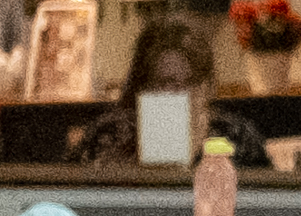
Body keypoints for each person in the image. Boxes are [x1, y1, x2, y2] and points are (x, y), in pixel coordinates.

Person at [69, 13, 265, 168]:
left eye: (192, 81)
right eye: (166, 82)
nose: (181, 94)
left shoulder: (236, 136)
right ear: (142, 85)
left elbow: (266, 207)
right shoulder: (109, 135)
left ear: (208, 87)